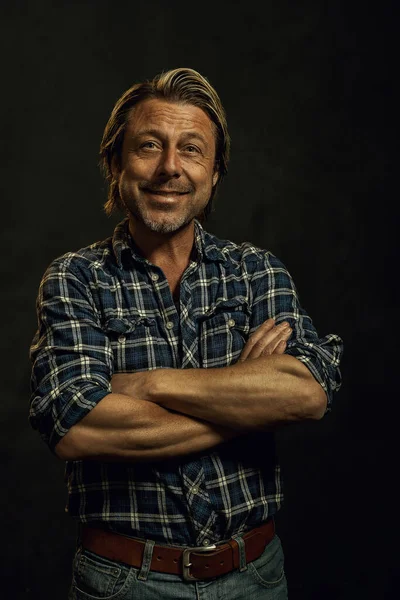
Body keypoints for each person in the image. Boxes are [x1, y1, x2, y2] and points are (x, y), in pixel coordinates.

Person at [29, 67, 343, 599]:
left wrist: (146, 384)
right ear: (115, 162)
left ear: (215, 171)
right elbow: (79, 429)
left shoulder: (256, 272)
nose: (169, 167)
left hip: (256, 578)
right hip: (125, 582)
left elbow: (307, 393)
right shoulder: (75, 279)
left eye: (192, 150)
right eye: (149, 145)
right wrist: (246, 395)